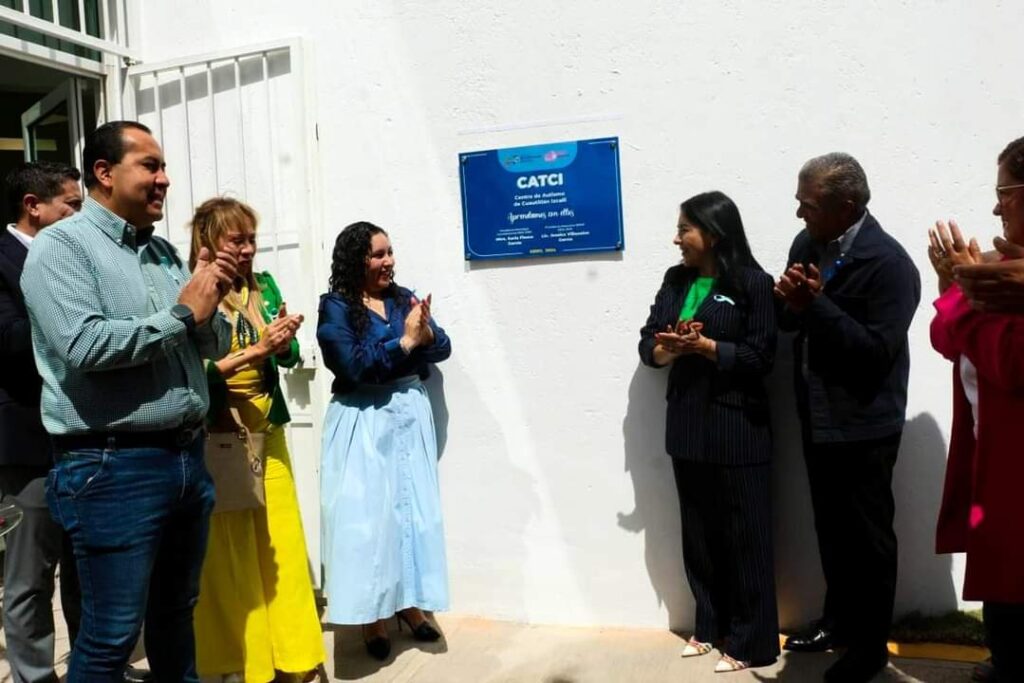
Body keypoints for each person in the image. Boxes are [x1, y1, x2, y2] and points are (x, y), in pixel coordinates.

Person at [20, 121, 235, 681]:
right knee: (110, 636)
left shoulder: (163, 252)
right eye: (150, 166)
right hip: (111, 468)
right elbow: (86, 346)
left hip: (186, 460)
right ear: (104, 172)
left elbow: (209, 344)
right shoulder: (60, 248)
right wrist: (183, 314)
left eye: (164, 167)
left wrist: (212, 298)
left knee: (176, 616)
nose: (164, 179)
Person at [775, 153, 920, 683]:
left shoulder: (890, 264)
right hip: (817, 417)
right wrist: (788, 304)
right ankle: (836, 623)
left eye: (809, 205)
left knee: (869, 542)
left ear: (848, 205)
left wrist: (814, 305)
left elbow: (875, 353)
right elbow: (791, 321)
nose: (799, 214)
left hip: (864, 425)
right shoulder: (807, 245)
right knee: (831, 532)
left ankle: (870, 647)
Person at [638, 191, 779, 673]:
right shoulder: (676, 280)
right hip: (687, 426)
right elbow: (648, 344)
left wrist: (709, 347)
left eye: (685, 229)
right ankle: (709, 625)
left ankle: (751, 641)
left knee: (746, 537)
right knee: (698, 535)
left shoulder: (753, 284)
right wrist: (672, 349)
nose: (676, 239)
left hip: (738, 426)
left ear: (714, 234)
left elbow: (761, 357)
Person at [188, 197, 324, 682]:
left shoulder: (263, 286)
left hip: (271, 431)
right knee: (232, 556)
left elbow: (285, 358)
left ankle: (294, 656)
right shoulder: (195, 294)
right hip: (222, 436)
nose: (248, 249)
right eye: (237, 240)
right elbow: (195, 371)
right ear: (209, 241)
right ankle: (242, 664)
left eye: (252, 239)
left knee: (281, 545)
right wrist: (257, 351)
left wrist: (283, 345)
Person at [317, 221, 451, 660]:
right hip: (363, 419)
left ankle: (410, 606)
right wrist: (407, 341)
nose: (388, 261)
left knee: (409, 515)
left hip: (408, 418)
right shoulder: (336, 308)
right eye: (378, 254)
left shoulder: (402, 298)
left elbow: (442, 346)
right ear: (356, 260)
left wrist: (424, 336)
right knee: (369, 520)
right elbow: (354, 366)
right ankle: (372, 617)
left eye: (390, 251)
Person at [929, 135, 1024, 683]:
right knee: (1001, 590)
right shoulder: (1000, 269)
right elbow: (947, 338)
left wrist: (961, 300)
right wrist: (953, 288)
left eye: (1004, 192)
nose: (994, 208)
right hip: (992, 460)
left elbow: (1011, 362)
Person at [1, 161, 83, 683]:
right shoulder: (2, 260)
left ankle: (94, 668)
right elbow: (8, 341)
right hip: (26, 442)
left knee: (86, 568)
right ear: (33, 206)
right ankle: (33, 676)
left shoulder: (78, 255)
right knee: (30, 575)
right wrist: (74, 321)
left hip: (85, 438)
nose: (81, 215)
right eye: (71, 205)